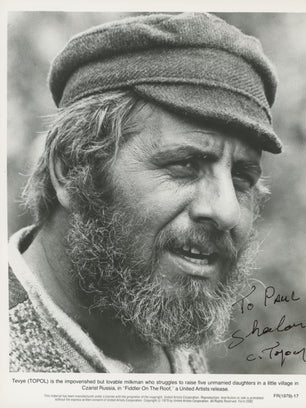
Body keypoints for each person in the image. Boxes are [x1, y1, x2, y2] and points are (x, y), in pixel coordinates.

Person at [8, 12, 282, 373]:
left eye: (242, 178)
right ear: (71, 169)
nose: (226, 212)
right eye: (186, 165)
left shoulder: (154, 319)